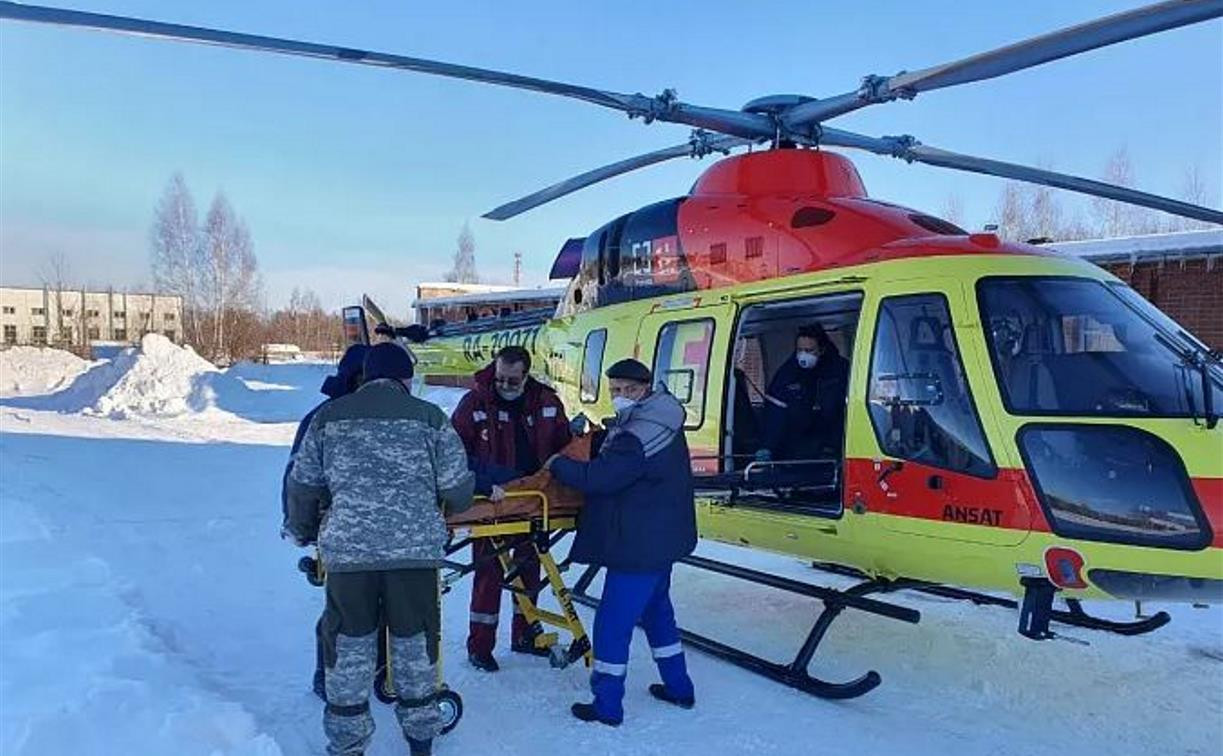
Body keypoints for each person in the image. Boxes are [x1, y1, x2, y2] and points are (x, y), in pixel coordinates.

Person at [284, 342, 475, 756]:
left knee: (349, 647)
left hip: (349, 558)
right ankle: (421, 740)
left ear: (366, 376)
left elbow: (302, 486)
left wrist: (303, 531)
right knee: (414, 642)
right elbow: (458, 491)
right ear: (407, 378)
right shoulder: (431, 418)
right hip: (414, 556)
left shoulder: (328, 418)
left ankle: (348, 744)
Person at [546, 358, 697, 727]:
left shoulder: (636, 435)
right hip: (663, 538)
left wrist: (558, 464)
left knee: (613, 624)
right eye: (614, 390)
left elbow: (601, 478)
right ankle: (679, 688)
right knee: (659, 613)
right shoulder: (665, 418)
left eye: (629, 390)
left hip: (638, 543)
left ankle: (607, 706)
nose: (620, 397)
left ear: (645, 389)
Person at [450, 345, 571, 672]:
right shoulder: (474, 403)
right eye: (500, 378)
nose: (504, 385)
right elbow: (453, 454)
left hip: (534, 502)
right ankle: (480, 646)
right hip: (491, 501)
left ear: (526, 375)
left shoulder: (546, 402)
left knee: (529, 572)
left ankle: (525, 634)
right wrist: (487, 483)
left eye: (512, 380)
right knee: (488, 575)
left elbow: (565, 447)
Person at [281, 343, 369, 700]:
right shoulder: (324, 419)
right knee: (344, 608)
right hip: (338, 529)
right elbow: (298, 480)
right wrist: (301, 527)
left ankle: (374, 667)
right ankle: (328, 673)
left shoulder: (383, 418)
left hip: (378, 529)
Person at [756, 324, 850, 462]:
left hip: (832, 447)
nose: (803, 355)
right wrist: (767, 446)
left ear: (822, 349)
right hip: (796, 448)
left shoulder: (841, 371)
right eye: (800, 350)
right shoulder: (788, 373)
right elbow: (775, 413)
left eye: (809, 350)